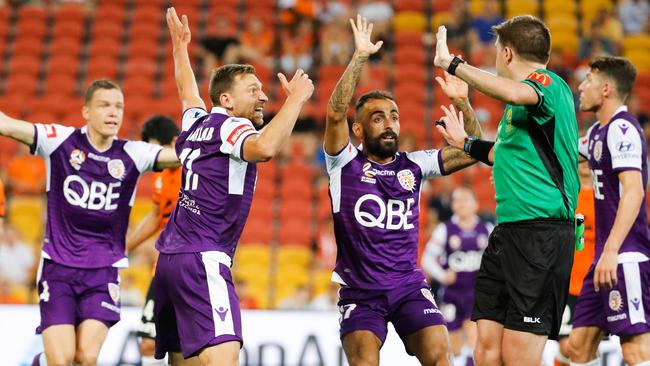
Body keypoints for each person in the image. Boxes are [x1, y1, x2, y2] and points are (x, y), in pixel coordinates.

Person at [151, 8, 314, 365]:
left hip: (170, 259)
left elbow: (187, 92)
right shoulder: (231, 127)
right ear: (226, 101)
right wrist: (297, 99)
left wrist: (180, 49)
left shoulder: (197, 123)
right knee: (225, 358)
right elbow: (265, 149)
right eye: (253, 90)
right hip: (203, 259)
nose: (263, 97)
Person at [325, 15, 481, 366]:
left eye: (393, 116)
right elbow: (334, 114)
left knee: (442, 359)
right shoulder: (343, 163)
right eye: (378, 118)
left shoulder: (415, 164)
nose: (389, 123)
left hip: (408, 286)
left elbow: (473, 150)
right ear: (359, 129)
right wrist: (360, 57)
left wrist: (463, 103)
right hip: (361, 293)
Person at [0, 78, 179, 366]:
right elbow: (7, 125)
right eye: (105, 105)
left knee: (87, 357)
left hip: (103, 272)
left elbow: (179, 156)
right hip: (58, 268)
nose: (113, 113)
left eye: (119, 107)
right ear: (86, 112)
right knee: (62, 360)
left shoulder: (133, 153)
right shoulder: (59, 140)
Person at [433, 15, 580, 365]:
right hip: (509, 233)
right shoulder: (519, 107)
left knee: (518, 356)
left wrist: (453, 64)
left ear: (508, 54)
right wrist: (465, 143)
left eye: (498, 52)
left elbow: (514, 90)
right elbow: (503, 153)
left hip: (542, 235)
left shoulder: (548, 84)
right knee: (486, 350)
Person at [569, 56, 650, 366]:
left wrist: (612, 251)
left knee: (635, 350)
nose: (581, 86)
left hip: (623, 255)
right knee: (578, 347)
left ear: (605, 89)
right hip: (604, 258)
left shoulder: (623, 129)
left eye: (587, 79)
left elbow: (634, 191)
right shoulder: (599, 134)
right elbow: (558, 154)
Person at [126, 115, 182, 366]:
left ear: (173, 142)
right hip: (162, 269)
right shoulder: (160, 175)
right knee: (150, 341)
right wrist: (123, 247)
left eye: (156, 148)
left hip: (188, 268)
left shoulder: (191, 171)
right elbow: (156, 215)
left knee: (184, 348)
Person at [421, 187, 493, 366]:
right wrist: (443, 275)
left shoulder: (487, 229)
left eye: (466, 199)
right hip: (452, 294)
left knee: (473, 336)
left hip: (477, 294)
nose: (461, 204)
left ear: (476, 204)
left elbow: (499, 259)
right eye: (457, 200)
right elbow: (427, 259)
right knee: (453, 344)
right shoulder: (445, 230)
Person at [554, 163, 595, 366]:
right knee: (567, 347)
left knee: (588, 346)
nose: (585, 161)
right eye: (581, 156)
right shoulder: (567, 193)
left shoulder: (608, 195)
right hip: (569, 283)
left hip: (596, 282)